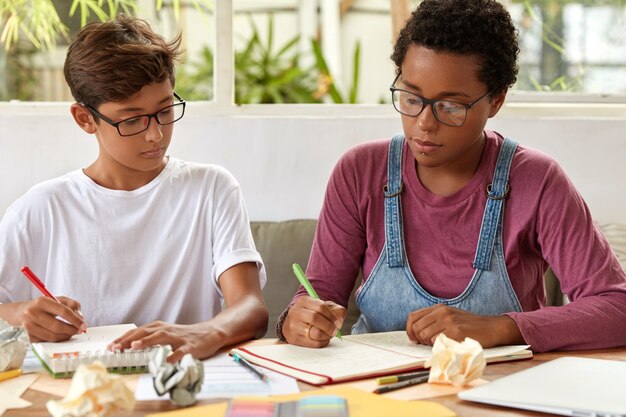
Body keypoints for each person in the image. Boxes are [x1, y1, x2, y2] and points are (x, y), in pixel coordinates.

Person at [278, 0, 626, 352]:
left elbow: (617, 308)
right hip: (376, 392)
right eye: (411, 97)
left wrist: (501, 329)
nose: (424, 124)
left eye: (451, 106)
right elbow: (315, 297)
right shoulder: (359, 172)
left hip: (495, 391)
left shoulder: (537, 181)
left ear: (495, 101)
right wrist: (298, 319)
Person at [0, 15, 268, 362]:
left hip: (184, 382)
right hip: (81, 392)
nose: (155, 135)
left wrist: (206, 332)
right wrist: (18, 314)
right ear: (84, 118)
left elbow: (250, 306)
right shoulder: (41, 209)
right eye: (132, 120)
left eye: (165, 109)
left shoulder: (211, 188)